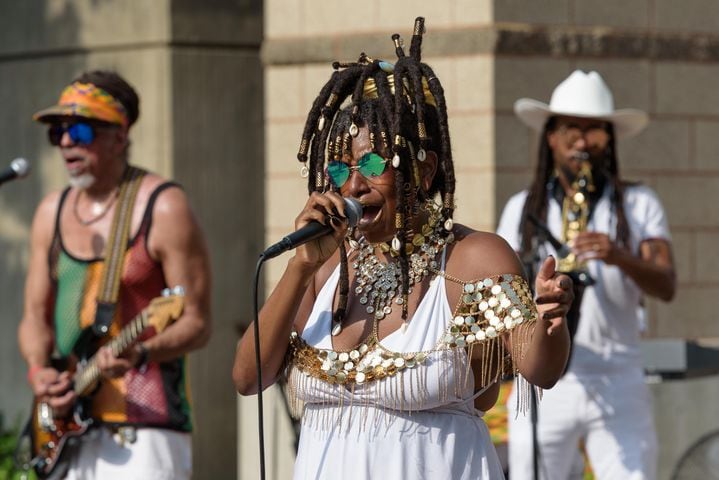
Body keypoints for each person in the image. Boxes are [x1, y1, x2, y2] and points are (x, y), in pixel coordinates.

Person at [233, 18, 573, 480]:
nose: (353, 185)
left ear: (425, 170)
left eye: (373, 164)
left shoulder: (471, 259)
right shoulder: (324, 265)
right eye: (340, 169)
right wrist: (299, 267)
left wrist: (552, 319)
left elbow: (539, 368)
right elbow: (248, 377)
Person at [18, 70, 212, 479]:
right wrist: (40, 373)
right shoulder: (50, 212)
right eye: (59, 133)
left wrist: (141, 352)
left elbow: (197, 321)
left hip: (146, 427)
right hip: (68, 425)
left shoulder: (162, 206)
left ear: (119, 136)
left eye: (82, 130)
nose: (67, 141)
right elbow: (34, 318)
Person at [497, 70, 676, 480]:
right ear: (552, 137)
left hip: (618, 375)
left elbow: (666, 284)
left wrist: (618, 256)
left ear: (609, 139)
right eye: (571, 129)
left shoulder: (639, 203)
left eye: (594, 130)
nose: (582, 140)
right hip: (544, 377)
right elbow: (502, 290)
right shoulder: (523, 208)